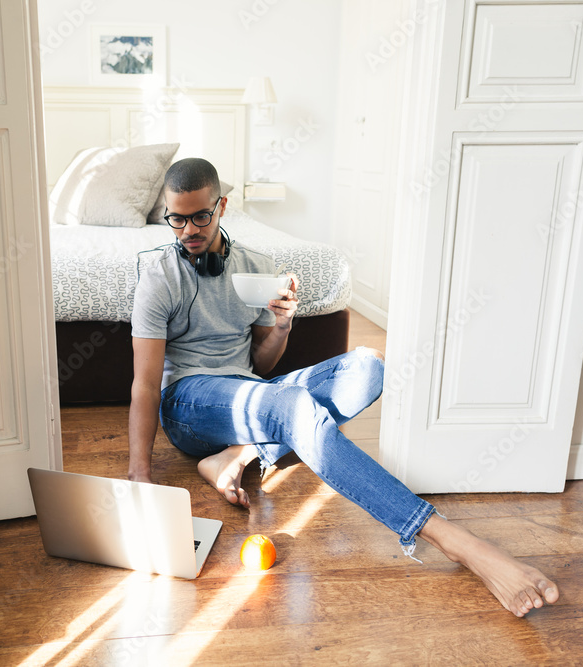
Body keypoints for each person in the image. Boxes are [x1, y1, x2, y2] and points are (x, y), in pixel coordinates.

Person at [128, 157, 560, 617]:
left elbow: (260, 363)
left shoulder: (256, 267)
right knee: (291, 406)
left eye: (200, 216)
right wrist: (140, 475)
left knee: (369, 366)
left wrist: (282, 325)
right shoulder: (158, 277)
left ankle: (239, 453)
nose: (188, 230)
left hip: (249, 391)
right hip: (189, 404)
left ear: (222, 206)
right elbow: (146, 385)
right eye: (176, 219)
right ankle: (450, 538)